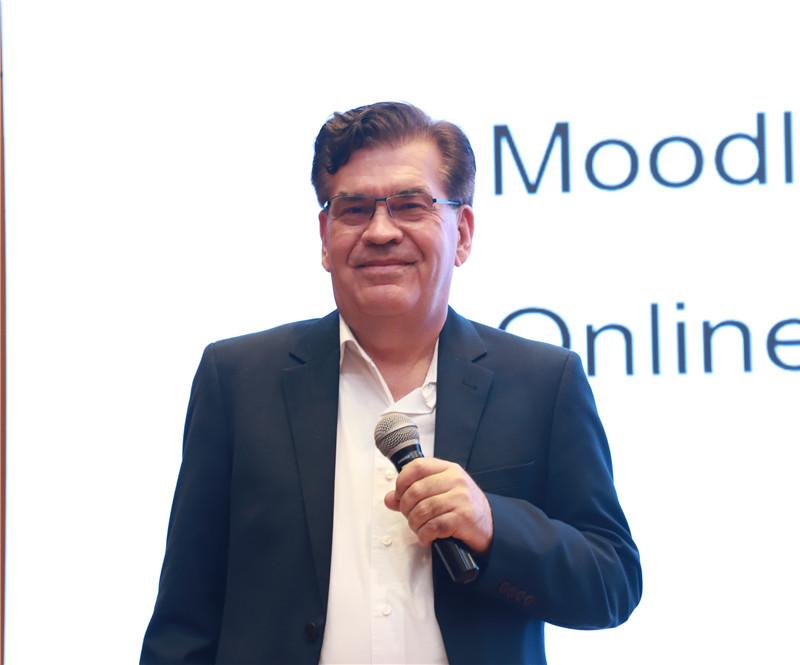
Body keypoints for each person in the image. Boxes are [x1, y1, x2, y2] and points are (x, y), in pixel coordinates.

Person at [140, 102, 641, 664]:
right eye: (354, 210)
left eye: (410, 206)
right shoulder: (238, 380)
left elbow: (612, 582)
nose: (380, 232)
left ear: (463, 232)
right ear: (325, 236)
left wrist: (493, 525)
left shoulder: (543, 381)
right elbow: (184, 620)